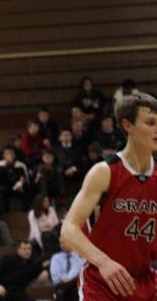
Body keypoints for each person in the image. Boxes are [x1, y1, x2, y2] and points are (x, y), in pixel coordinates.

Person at [60, 92, 157, 301]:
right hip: (102, 282)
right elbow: (69, 229)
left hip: (145, 281)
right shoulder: (105, 172)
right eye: (150, 123)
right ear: (127, 125)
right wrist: (103, 262)